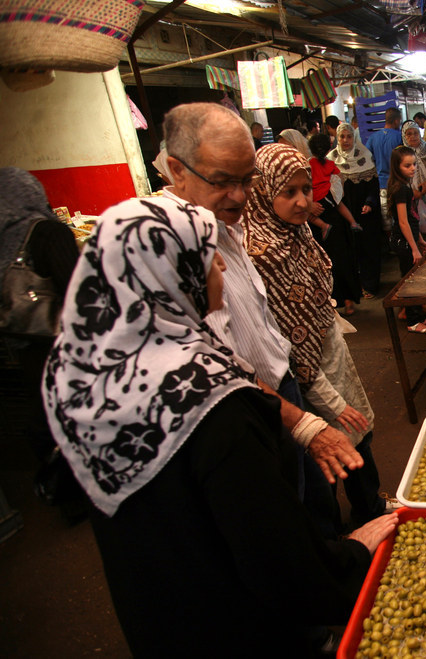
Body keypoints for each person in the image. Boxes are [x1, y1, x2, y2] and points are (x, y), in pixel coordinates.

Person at [42, 193, 397, 656]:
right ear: (170, 275)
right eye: (207, 255)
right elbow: (275, 559)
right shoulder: (213, 405)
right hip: (237, 623)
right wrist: (352, 554)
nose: (223, 268)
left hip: (160, 617)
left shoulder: (79, 377)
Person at [161, 103, 361, 487]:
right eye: (222, 181)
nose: (239, 196)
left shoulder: (228, 227)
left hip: (281, 384)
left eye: (247, 180)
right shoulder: (177, 246)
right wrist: (302, 422)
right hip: (250, 403)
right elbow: (216, 365)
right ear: (177, 171)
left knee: (306, 490)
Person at [243, 143, 393, 526]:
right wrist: (325, 394)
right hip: (301, 375)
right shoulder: (259, 253)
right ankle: (331, 537)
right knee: (321, 454)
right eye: (287, 192)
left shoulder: (300, 234)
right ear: (262, 191)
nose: (300, 202)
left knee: (358, 431)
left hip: (331, 351)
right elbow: (284, 344)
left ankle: (369, 507)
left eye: (305, 190)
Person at [0, 168, 83, 520]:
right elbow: (78, 291)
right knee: (75, 414)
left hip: (24, 343)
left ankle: (62, 496)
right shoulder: (47, 231)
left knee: (45, 415)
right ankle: (85, 492)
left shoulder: (5, 237)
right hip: (61, 339)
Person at [309, 133, 362, 316]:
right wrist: (353, 221)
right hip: (335, 220)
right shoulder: (332, 167)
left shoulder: (306, 167)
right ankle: (347, 302)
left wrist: (310, 206)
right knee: (342, 262)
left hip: (317, 221)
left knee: (323, 265)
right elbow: (339, 201)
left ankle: (328, 305)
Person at [331, 122, 383, 297]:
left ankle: (370, 286)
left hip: (365, 214)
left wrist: (369, 203)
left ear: (355, 138)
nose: (346, 140)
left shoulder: (365, 156)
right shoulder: (331, 159)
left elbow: (373, 186)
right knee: (349, 251)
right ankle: (353, 288)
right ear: (337, 138)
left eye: (349, 136)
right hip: (343, 214)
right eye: (342, 136)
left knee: (368, 249)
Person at [386, 145, 426, 333]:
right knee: (410, 282)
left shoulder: (405, 186)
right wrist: (414, 248)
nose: (412, 168)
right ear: (397, 167)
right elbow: (403, 222)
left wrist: (419, 238)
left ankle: (414, 315)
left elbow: (412, 218)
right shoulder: (401, 190)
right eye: (407, 166)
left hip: (409, 239)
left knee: (412, 279)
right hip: (403, 242)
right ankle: (413, 321)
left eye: (414, 164)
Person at [401, 120, 426, 248]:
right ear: (404, 136)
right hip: (410, 200)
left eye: (416, 133)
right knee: (415, 232)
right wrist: (410, 193)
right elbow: (397, 178)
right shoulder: (400, 154)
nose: (413, 136)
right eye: (409, 134)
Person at [364, 107, 404, 232]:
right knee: (400, 218)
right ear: (397, 121)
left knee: (386, 220)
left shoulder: (373, 138)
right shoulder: (399, 137)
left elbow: (367, 160)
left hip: (380, 185)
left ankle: (389, 246)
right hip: (398, 183)